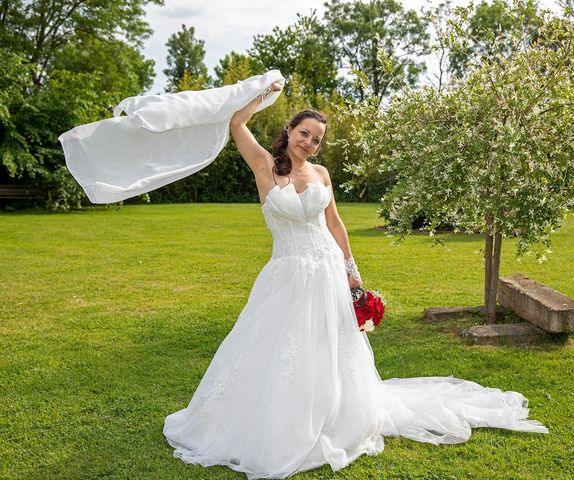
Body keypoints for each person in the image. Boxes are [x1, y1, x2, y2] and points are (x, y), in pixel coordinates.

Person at [163, 81, 548, 479]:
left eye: (316, 139)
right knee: (278, 346)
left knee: (331, 347)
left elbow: (334, 223)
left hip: (327, 269)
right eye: (304, 133)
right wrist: (264, 91)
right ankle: (279, 419)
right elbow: (236, 122)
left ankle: (334, 415)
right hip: (287, 271)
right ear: (289, 132)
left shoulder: (321, 173)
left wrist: (352, 273)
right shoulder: (264, 165)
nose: (309, 143)